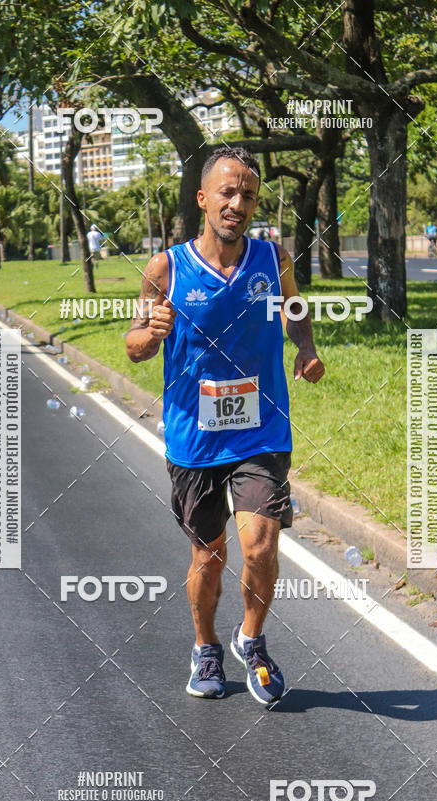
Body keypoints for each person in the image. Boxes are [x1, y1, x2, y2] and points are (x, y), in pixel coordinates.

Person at [125, 147, 325, 706]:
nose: (237, 203)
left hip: (261, 430)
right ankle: (205, 646)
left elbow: (295, 308)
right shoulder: (166, 268)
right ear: (203, 199)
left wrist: (305, 349)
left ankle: (252, 640)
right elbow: (134, 345)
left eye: (248, 195)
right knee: (208, 554)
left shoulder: (273, 258)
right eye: (227, 193)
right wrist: (151, 331)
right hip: (194, 436)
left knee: (260, 544)